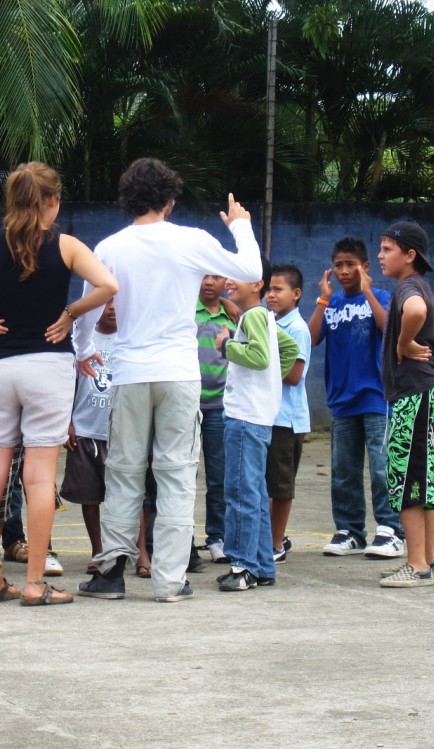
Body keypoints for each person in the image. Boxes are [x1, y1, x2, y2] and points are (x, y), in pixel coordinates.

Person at [0, 161, 118, 606]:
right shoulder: (66, 245)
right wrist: (70, 313)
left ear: (11, 201)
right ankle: (35, 583)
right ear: (52, 201)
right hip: (48, 365)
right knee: (39, 476)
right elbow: (109, 285)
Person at [73, 157, 262, 603]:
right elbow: (251, 270)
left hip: (130, 372)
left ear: (127, 199)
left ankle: (111, 573)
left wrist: (83, 353)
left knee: (123, 472)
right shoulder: (191, 241)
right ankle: (170, 580)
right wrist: (240, 225)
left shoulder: (110, 247)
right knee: (176, 474)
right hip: (179, 373)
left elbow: (88, 309)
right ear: (171, 200)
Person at [307, 238, 403, 559]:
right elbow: (311, 338)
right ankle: (350, 530)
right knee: (344, 469)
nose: (345, 271)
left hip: (377, 398)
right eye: (339, 265)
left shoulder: (381, 296)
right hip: (342, 401)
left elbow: (389, 328)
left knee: (381, 466)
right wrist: (322, 299)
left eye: (351, 265)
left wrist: (366, 292)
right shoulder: (330, 303)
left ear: (365, 267)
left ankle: (390, 530)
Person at [377, 222, 434, 587]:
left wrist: (405, 343)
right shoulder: (420, 285)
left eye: (387, 249)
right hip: (432, 393)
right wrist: (426, 342)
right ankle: (428, 560)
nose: (380, 256)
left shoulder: (409, 287)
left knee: (406, 477)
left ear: (409, 256)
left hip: (416, 396)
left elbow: (419, 311)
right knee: (428, 479)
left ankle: (417, 566)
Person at [213, 271, 298, 591]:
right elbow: (286, 350)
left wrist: (225, 346)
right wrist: (270, 385)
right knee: (255, 493)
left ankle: (243, 565)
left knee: (239, 492)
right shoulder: (264, 317)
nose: (229, 283)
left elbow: (261, 357)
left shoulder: (252, 317)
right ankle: (262, 566)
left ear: (257, 284)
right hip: (259, 415)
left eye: (238, 278)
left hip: (245, 416)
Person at [60, 298, 117, 572]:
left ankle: (125, 549)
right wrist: (67, 421)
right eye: (106, 303)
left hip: (120, 431)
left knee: (127, 496)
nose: (112, 308)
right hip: (84, 428)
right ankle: (98, 550)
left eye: (118, 302)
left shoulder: (129, 340)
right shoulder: (80, 341)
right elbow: (66, 382)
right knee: (89, 495)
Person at [264, 264, 311, 564]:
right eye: (268, 289)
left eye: (278, 289)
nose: (271, 295)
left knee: (280, 487)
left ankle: (275, 543)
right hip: (267, 416)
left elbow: (294, 375)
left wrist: (259, 359)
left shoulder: (297, 328)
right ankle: (269, 536)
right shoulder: (268, 322)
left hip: (287, 420)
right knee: (265, 483)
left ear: (296, 294)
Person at [194, 274, 240, 566]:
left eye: (216, 276)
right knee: (183, 475)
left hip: (220, 405)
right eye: (204, 275)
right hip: (187, 403)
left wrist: (227, 303)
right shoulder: (187, 309)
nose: (209, 281)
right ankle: (182, 536)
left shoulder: (234, 316)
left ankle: (217, 537)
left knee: (218, 476)